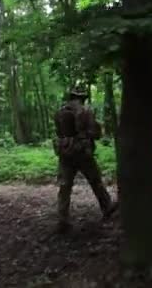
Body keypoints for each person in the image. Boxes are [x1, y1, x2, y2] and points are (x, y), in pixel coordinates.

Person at [53, 87, 118, 233]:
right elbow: (95, 133)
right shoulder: (86, 111)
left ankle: (62, 219)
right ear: (82, 98)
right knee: (95, 181)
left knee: (65, 187)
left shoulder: (59, 112)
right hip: (83, 153)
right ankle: (106, 207)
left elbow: (58, 133)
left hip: (65, 153)